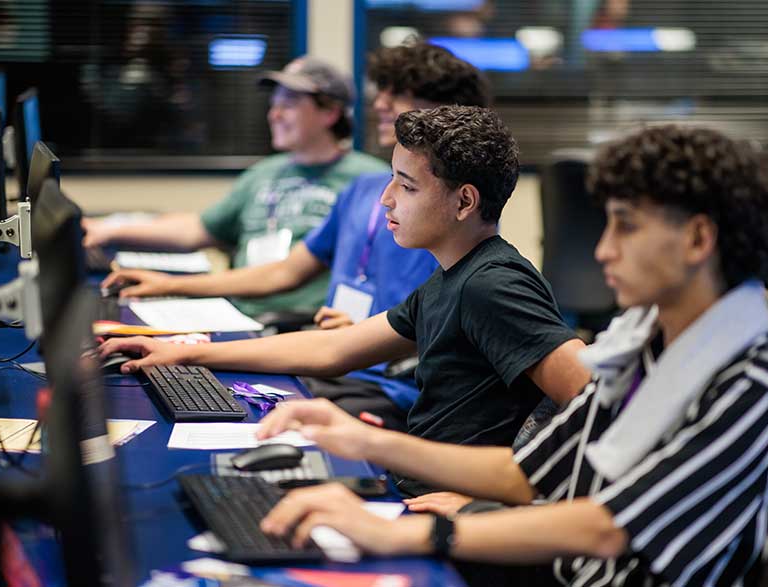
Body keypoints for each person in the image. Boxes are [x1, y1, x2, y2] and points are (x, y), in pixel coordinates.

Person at [252, 125, 768, 587]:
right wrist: (364, 441)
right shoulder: (645, 339)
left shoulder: (754, 382)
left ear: (698, 240)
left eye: (626, 226)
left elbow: (607, 529)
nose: (603, 249)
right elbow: (532, 473)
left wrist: (418, 532)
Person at [99, 106, 589, 496]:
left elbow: (594, 404)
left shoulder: (494, 285)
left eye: (407, 185)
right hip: (415, 483)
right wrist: (188, 352)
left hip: (449, 505)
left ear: (464, 202)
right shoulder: (453, 277)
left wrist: (494, 502)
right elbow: (334, 350)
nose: (386, 199)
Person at [99, 43, 493, 432]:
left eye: (400, 94)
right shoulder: (363, 189)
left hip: (386, 382)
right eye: (382, 92)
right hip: (338, 361)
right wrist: (175, 301)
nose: (381, 104)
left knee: (263, 428)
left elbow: (447, 327)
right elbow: (287, 273)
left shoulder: (448, 212)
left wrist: (368, 330)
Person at [82, 56, 388, 318]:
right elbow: (197, 229)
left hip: (298, 323)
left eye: (289, 104)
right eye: (273, 104)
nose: (274, 114)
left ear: (330, 112)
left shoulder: (368, 181)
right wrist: (109, 228)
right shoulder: (263, 173)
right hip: (235, 311)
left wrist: (170, 284)